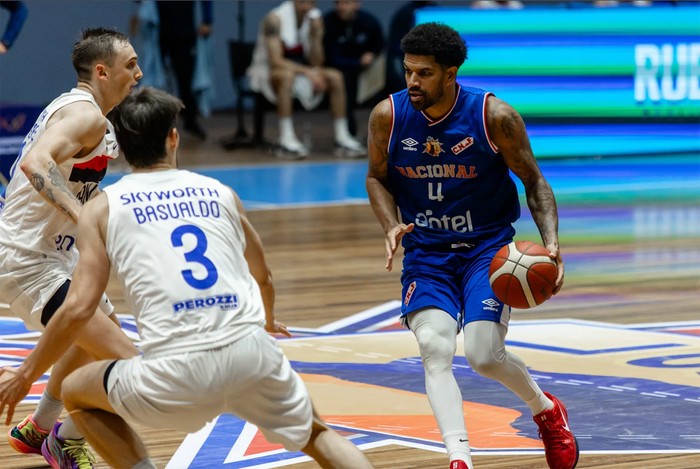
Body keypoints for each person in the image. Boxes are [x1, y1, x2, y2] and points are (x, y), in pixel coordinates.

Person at [0, 87, 376, 469]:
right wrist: (266, 320)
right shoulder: (220, 192)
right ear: (174, 137)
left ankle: (48, 430)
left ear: (119, 148)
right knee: (319, 435)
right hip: (251, 356)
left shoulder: (104, 208)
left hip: (176, 375)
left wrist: (26, 374)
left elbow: (78, 307)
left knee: (79, 390)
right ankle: (46, 432)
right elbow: (264, 277)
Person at [365, 23, 579, 469]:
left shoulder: (494, 116)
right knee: (435, 349)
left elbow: (534, 181)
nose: (412, 83)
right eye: (407, 72)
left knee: (483, 355)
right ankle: (459, 457)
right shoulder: (388, 116)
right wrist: (389, 224)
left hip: (487, 250)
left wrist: (552, 244)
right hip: (427, 252)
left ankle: (546, 411)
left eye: (423, 73)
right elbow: (376, 177)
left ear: (451, 73)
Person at [0, 27, 142, 467]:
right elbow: (35, 164)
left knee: (93, 331)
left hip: (56, 256)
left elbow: (75, 182)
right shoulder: (87, 117)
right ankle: (64, 437)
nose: (138, 74)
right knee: (132, 367)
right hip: (30, 262)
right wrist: (87, 223)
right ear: (102, 71)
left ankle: (40, 427)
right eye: (130, 65)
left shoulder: (87, 113)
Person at [247, 0, 366, 159]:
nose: (308, 5)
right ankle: (286, 139)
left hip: (300, 70)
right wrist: (309, 73)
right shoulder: (274, 19)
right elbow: (276, 61)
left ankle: (342, 137)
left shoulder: (312, 20)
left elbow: (316, 61)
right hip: (268, 71)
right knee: (286, 76)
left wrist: (316, 35)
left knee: (335, 76)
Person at [322, 0, 385, 138]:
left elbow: (380, 43)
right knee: (344, 82)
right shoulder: (328, 22)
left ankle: (384, 133)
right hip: (341, 68)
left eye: (346, 3)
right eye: (338, 3)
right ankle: (348, 134)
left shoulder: (369, 21)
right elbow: (330, 57)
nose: (341, 7)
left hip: (367, 68)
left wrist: (371, 54)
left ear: (357, 4)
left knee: (388, 80)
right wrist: (357, 62)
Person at [155, 0, 212, 140]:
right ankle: (154, 123)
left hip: (185, 32)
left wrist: (207, 19)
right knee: (154, 81)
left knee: (186, 80)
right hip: (159, 32)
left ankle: (190, 121)